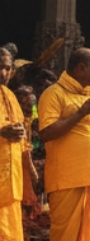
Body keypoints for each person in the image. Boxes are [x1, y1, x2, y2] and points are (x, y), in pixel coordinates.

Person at [40, 47, 90, 241]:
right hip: (67, 179)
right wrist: (80, 113)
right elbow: (46, 133)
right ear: (81, 68)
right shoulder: (53, 94)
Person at [0, 47, 27, 241]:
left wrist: (30, 170)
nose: (3, 73)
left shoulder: (10, 96)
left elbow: (23, 138)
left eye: (6, 68)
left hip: (11, 181)